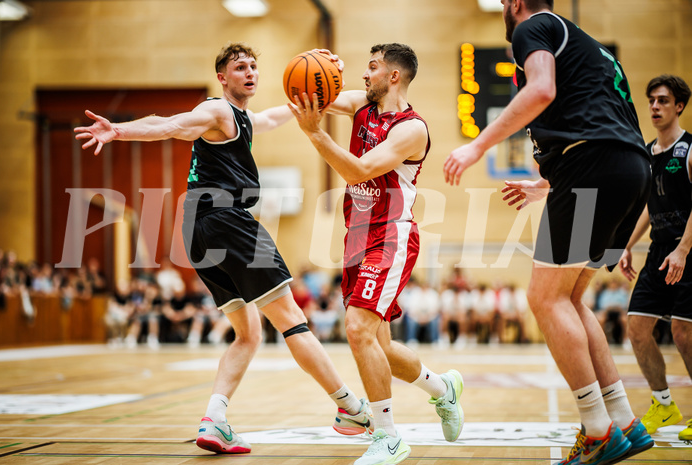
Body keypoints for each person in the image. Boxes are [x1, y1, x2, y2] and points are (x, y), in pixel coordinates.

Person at [74, 42, 372, 455]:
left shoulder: (243, 118)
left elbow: (270, 117)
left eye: (253, 66)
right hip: (227, 219)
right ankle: (351, 408)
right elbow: (172, 124)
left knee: (248, 333)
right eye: (239, 67)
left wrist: (310, 97)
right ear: (222, 77)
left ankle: (214, 420)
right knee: (292, 320)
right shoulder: (216, 111)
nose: (249, 72)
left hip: (197, 228)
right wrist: (120, 130)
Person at [443, 1, 655, 463]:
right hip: (629, 171)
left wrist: (479, 144)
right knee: (571, 298)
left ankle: (597, 432)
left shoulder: (532, 27)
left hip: (593, 169)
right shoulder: (589, 45)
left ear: (516, 2)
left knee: (545, 298)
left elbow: (540, 90)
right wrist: (547, 182)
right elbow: (602, 121)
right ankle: (622, 420)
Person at [290, 43, 464, 465]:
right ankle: (444, 390)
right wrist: (315, 73)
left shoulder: (411, 129)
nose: (364, 76)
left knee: (356, 329)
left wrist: (315, 134)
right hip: (357, 237)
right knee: (379, 349)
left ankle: (387, 437)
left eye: (372, 68)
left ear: (394, 76)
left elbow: (358, 170)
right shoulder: (360, 106)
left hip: (390, 236)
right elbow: (313, 97)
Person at [618, 74, 692, 443]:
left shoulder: (690, 149)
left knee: (683, 332)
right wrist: (628, 244)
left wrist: (683, 249)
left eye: (663, 101)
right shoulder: (649, 152)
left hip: (689, 250)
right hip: (661, 250)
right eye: (651, 101)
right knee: (636, 327)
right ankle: (663, 403)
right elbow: (650, 207)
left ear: (679, 105)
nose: (654, 107)